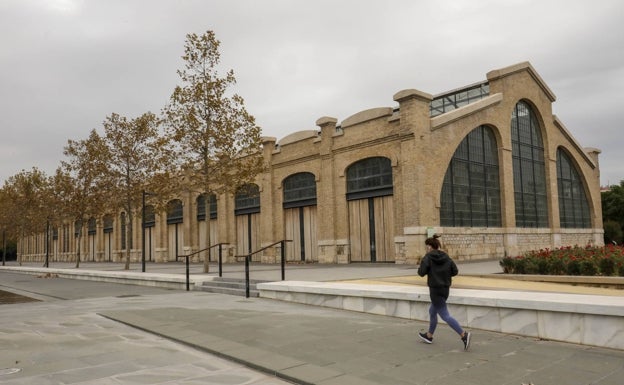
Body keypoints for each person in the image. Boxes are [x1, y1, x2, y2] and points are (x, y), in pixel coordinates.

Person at [417, 234, 471, 350]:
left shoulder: (428, 257)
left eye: (427, 247)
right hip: (445, 289)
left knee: (445, 315)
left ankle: (463, 335)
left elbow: (421, 273)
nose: (426, 249)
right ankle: (429, 336)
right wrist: (444, 276)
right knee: (432, 311)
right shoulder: (446, 257)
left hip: (435, 290)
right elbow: (455, 271)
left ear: (430, 247)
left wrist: (427, 267)